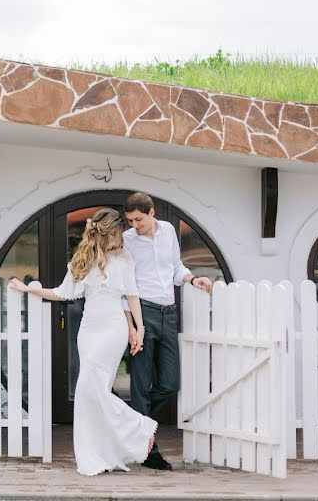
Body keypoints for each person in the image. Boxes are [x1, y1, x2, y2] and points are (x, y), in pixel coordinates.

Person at [8, 208, 156, 475]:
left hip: (113, 329)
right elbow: (62, 293)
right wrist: (29, 288)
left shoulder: (124, 258)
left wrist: (139, 328)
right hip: (88, 331)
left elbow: (132, 296)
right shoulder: (83, 259)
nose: (119, 240)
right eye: (115, 234)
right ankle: (98, 456)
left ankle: (140, 428)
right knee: (90, 396)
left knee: (91, 389)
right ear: (104, 233)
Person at [122, 192, 212, 471]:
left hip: (168, 313)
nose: (134, 225)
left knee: (170, 383)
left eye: (138, 219)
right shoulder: (127, 240)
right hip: (143, 313)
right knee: (140, 385)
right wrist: (133, 326)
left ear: (151, 213)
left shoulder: (169, 231)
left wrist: (192, 278)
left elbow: (176, 268)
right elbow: (125, 284)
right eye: (130, 220)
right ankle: (149, 452)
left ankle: (133, 425)